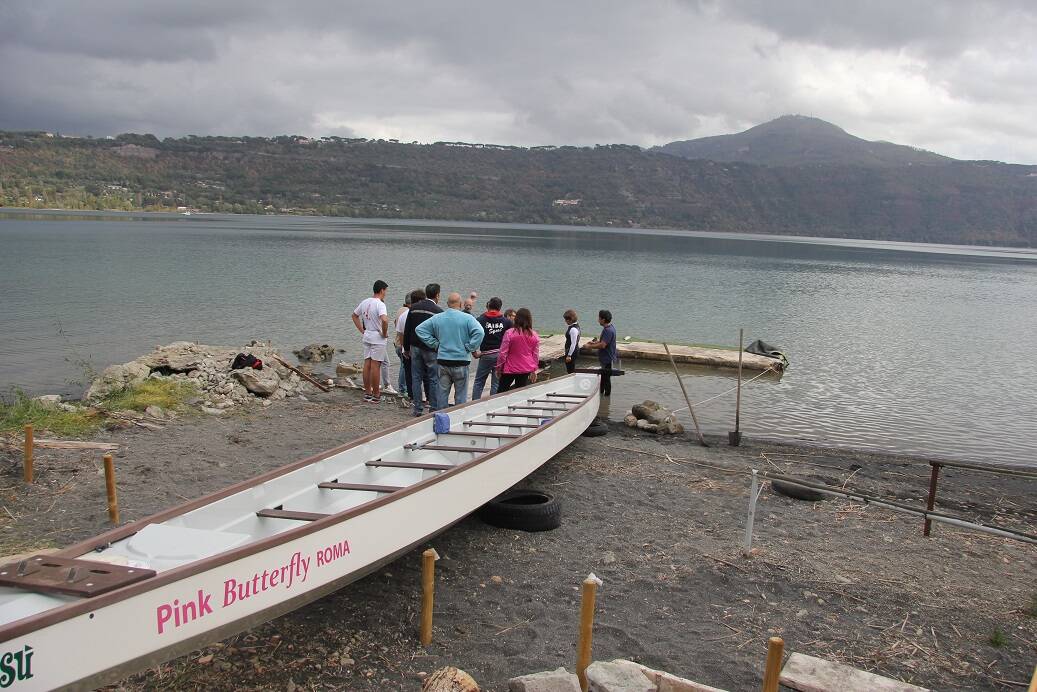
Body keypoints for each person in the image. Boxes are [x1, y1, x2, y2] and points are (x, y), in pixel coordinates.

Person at [416, 292, 484, 407]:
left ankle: (442, 419)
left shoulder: (438, 318)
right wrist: (470, 347)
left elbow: (419, 329)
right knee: (460, 396)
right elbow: (480, 332)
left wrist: (435, 344)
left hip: (443, 361)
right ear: (461, 304)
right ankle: (459, 419)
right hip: (461, 361)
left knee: (442, 395)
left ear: (447, 304)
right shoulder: (468, 318)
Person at [402, 284, 443, 415]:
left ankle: (417, 408)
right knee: (433, 378)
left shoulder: (413, 308)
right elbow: (439, 332)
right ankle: (433, 407)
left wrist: (406, 348)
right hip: (430, 348)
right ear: (437, 295)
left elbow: (407, 330)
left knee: (416, 377)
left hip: (415, 347)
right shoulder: (438, 311)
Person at [351, 280, 389, 403]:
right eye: (385, 291)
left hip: (367, 335)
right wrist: (384, 333)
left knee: (367, 364)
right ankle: (376, 395)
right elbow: (384, 320)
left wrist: (362, 330)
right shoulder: (380, 304)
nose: (386, 293)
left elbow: (354, 315)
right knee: (375, 366)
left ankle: (368, 393)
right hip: (377, 337)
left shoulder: (365, 302)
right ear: (382, 290)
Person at [472, 297, 513, 399]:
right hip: (500, 355)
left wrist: (474, 352)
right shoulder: (507, 322)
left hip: (485, 355)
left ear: (489, 306)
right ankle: (492, 405)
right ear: (500, 308)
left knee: (479, 382)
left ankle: (473, 404)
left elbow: (471, 336)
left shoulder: (480, 320)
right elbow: (512, 339)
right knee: (496, 383)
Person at [496, 307, 540, 393]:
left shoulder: (509, 333)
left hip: (509, 368)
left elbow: (502, 354)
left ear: (516, 319)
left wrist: (499, 368)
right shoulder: (534, 335)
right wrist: (534, 370)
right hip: (525, 368)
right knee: (520, 393)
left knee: (501, 392)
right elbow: (535, 355)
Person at [584, 309, 617, 396]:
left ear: (603, 319)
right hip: (606, 358)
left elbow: (603, 345)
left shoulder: (608, 330)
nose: (598, 320)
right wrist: (595, 343)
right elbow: (604, 341)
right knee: (604, 377)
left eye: (599, 318)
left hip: (607, 358)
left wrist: (589, 346)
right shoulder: (609, 328)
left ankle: (606, 397)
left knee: (606, 379)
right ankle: (603, 399)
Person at [393, 293, 412, 398]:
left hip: (397, 343)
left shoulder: (400, 310)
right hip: (402, 344)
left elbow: (395, 323)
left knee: (403, 366)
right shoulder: (408, 312)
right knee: (404, 367)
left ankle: (403, 388)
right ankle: (403, 389)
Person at [562, 309, 581, 374]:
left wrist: (569, 355)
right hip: (572, 350)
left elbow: (573, 343)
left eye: (566, 319)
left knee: (570, 370)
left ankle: (572, 381)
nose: (565, 321)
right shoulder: (575, 326)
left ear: (570, 319)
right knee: (570, 368)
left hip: (572, 352)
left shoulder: (573, 329)